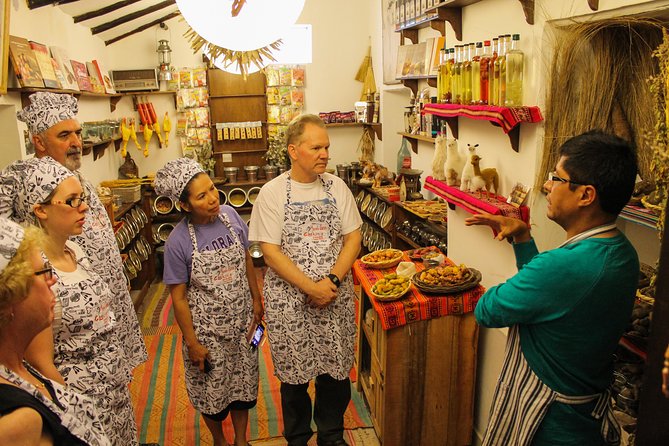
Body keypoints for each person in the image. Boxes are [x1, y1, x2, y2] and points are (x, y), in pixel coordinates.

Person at [465, 130, 639, 446]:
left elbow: (487, 310)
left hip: (549, 421)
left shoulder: (564, 266)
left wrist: (493, 284)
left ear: (586, 195)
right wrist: (522, 238)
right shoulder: (621, 252)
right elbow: (553, 295)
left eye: (556, 178)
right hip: (584, 414)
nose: (547, 185)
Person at [4, 91, 147, 370]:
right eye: (64, 135)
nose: (76, 143)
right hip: (69, 314)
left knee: (115, 370)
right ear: (38, 142)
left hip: (105, 297)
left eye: (78, 134)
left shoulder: (75, 177)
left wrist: (116, 274)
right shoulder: (26, 181)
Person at [248, 114, 362, 446]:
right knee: (295, 379)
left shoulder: (337, 187)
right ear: (294, 151)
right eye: (316, 147)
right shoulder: (271, 193)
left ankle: (331, 436)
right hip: (290, 303)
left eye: (326, 146)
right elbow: (269, 251)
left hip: (334, 296)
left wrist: (332, 281)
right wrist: (311, 287)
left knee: (335, 373)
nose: (325, 153)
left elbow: (352, 238)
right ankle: (297, 438)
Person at [8, 156, 139, 445]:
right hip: (81, 397)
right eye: (71, 201)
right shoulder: (36, 274)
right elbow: (41, 363)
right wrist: (74, 417)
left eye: (81, 197)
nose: (84, 207)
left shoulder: (76, 251)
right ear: (40, 210)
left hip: (114, 387)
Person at [155, 158, 263, 446]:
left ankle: (240, 440)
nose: (213, 199)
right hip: (208, 333)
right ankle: (219, 440)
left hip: (242, 325)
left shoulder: (230, 216)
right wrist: (192, 343)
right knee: (212, 393)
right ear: (186, 205)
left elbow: (245, 259)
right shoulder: (177, 241)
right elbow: (178, 297)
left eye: (212, 189)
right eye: (202, 196)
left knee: (243, 388)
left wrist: (256, 299)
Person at [0, 217, 111, 446]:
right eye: (42, 272)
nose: (51, 281)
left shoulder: (16, 366)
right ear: (9, 296)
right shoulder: (18, 422)